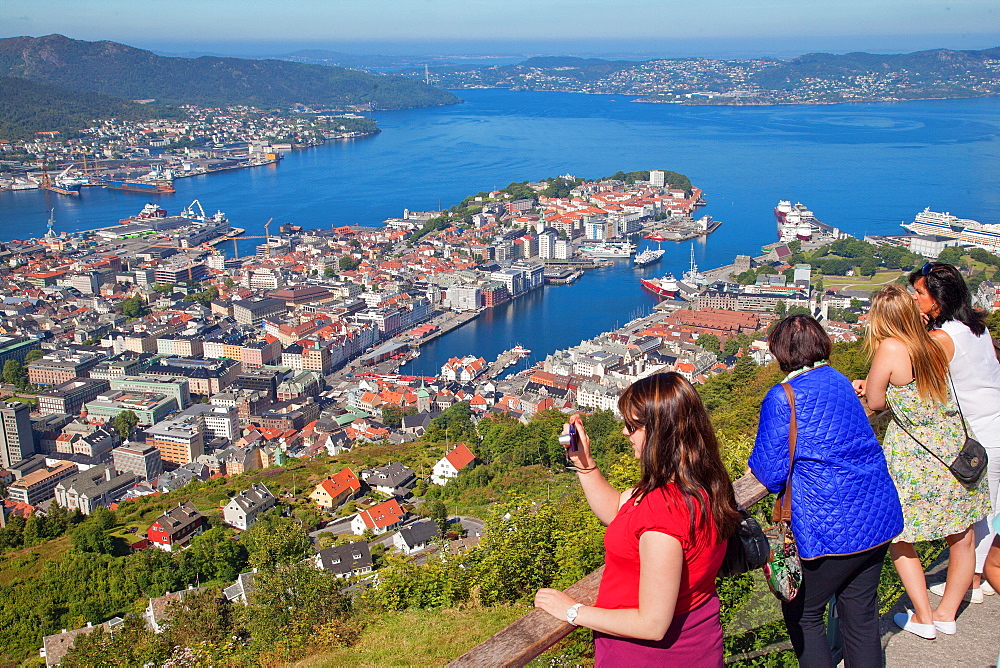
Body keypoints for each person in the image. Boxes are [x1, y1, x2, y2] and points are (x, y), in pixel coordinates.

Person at [533, 373, 741, 666]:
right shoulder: (702, 483)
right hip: (700, 641)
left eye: (633, 426)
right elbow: (619, 513)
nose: (624, 433)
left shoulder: (664, 513)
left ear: (661, 432)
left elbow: (652, 625)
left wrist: (572, 611)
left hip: (649, 657)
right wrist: (585, 464)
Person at [749, 314, 903, 668]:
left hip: (830, 527)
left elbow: (771, 474)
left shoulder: (782, 396)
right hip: (876, 516)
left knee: (804, 614)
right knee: (861, 618)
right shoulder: (837, 380)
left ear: (780, 352)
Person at [853, 285, 989, 639]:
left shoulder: (890, 347)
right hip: (958, 451)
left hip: (918, 459)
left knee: (898, 537)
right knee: (962, 538)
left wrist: (866, 385)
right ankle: (947, 614)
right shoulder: (936, 341)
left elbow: (879, 402)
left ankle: (924, 617)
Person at [910, 262, 1000, 603]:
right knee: (991, 507)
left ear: (938, 299)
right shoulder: (977, 327)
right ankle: (980, 577)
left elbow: (912, 376)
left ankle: (972, 583)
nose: (914, 298)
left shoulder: (942, 338)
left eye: (919, 293)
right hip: (996, 420)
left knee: (976, 510)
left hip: (977, 432)